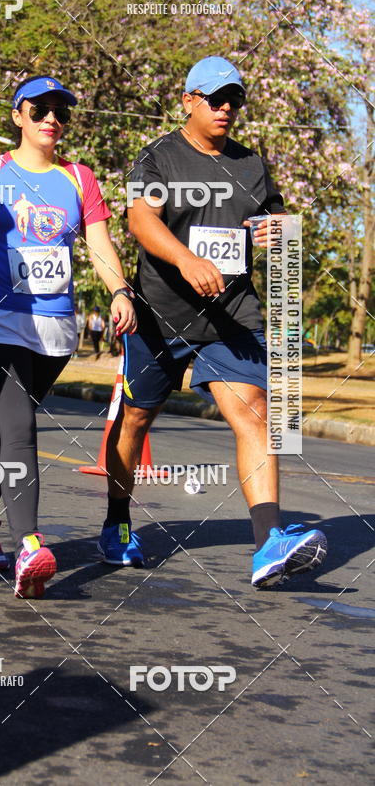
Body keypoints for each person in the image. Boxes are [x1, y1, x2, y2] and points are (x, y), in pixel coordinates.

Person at [99, 56, 327, 587]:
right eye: (215, 98)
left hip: (230, 316)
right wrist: (184, 259)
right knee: (134, 420)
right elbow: (139, 219)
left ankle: (269, 543)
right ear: (188, 101)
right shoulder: (159, 157)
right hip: (160, 315)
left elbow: (273, 224)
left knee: (254, 414)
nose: (226, 108)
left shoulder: (251, 165)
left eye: (235, 100)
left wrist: (276, 233)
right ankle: (117, 521)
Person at [0, 74, 136, 599]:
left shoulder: (79, 178)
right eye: (40, 110)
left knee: (6, 426)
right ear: (17, 115)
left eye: (60, 111)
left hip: (55, 326)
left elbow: (100, 244)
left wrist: (121, 289)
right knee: (19, 427)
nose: (51, 119)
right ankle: (30, 544)